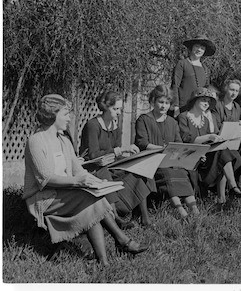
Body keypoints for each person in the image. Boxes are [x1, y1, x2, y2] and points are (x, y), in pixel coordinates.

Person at [24, 94, 148, 266]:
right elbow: (45, 179)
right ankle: (121, 242)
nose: (69, 118)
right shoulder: (36, 141)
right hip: (44, 197)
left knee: (90, 203)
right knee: (90, 198)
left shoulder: (64, 141)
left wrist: (98, 183)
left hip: (66, 192)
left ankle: (104, 261)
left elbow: (79, 170)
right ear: (53, 115)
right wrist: (77, 182)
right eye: (66, 114)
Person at [80, 91, 156, 227]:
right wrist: (120, 150)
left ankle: (144, 217)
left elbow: (116, 153)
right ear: (105, 108)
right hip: (92, 167)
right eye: (115, 109)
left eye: (120, 109)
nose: (119, 112)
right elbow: (93, 155)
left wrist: (130, 158)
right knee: (103, 171)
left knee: (140, 169)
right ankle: (115, 217)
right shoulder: (93, 125)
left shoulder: (115, 126)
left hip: (110, 164)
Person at [135, 85, 199, 219]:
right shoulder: (144, 119)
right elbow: (142, 143)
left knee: (182, 172)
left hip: (170, 159)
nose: (164, 106)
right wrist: (161, 149)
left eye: (167, 103)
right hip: (152, 160)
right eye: (161, 102)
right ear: (153, 101)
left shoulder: (172, 122)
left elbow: (178, 142)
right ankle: (180, 211)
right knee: (167, 173)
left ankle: (194, 209)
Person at [178, 87, 241, 203]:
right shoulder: (184, 117)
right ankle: (231, 189)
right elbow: (186, 140)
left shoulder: (205, 119)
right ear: (195, 100)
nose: (206, 103)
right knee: (222, 154)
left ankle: (232, 189)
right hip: (188, 156)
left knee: (223, 151)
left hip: (204, 155)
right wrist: (209, 137)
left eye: (208, 101)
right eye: (203, 100)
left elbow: (209, 141)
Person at [171, 34, 216, 116]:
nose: (199, 49)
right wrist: (176, 106)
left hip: (198, 110)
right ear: (191, 48)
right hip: (182, 108)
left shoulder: (205, 69)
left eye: (202, 48)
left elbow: (206, 89)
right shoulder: (182, 64)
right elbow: (175, 86)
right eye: (197, 46)